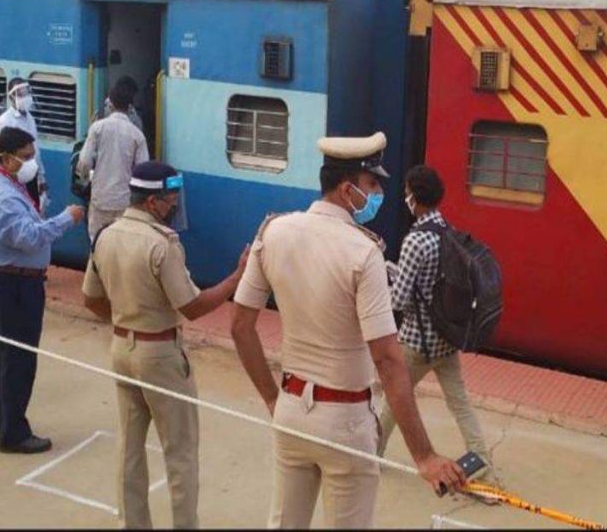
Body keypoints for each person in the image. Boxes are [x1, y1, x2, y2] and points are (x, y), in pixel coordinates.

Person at [231, 132, 466, 530]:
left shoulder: (273, 231)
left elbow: (240, 327)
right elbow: (389, 361)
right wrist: (424, 456)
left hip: (290, 409)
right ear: (347, 189)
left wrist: (274, 400)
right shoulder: (363, 252)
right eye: (373, 185)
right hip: (346, 421)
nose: (378, 195)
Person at [82, 161, 249, 529]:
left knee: (129, 447)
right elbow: (193, 307)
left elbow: (91, 300)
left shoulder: (106, 235)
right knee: (181, 453)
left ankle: (133, 523)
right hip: (160, 354)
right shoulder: (162, 244)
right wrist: (237, 277)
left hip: (121, 349)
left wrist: (126, 321)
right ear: (154, 201)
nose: (174, 204)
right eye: (170, 197)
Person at [0, 127, 84, 454]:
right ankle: (14, 433)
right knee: (19, 357)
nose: (30, 162)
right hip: (14, 283)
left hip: (6, 279)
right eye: (24, 157)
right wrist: (67, 219)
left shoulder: (6, 183)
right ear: (5, 158)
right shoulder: (3, 195)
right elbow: (28, 237)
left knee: (0, 353)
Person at [378, 165, 491, 470]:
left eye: (407, 193)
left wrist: (379, 290)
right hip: (446, 339)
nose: (405, 198)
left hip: (416, 343)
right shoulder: (446, 231)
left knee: (392, 399)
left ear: (414, 196)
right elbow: (429, 285)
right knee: (460, 405)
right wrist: (393, 268)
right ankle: (483, 466)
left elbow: (401, 299)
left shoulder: (414, 240)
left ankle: (369, 457)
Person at [78, 81, 150, 242]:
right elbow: (142, 171)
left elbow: (84, 162)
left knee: (97, 244)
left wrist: (87, 178)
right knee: (122, 246)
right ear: (130, 106)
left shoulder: (97, 128)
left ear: (110, 103)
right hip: (124, 202)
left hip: (100, 198)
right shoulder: (137, 135)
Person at [0, 78, 48, 215]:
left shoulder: (30, 118)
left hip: (32, 176)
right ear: (11, 97)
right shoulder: (4, 121)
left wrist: (41, 178)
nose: (25, 97)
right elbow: (1, 155)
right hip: (16, 177)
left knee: (36, 214)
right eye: (20, 93)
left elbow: (36, 151)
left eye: (27, 92)